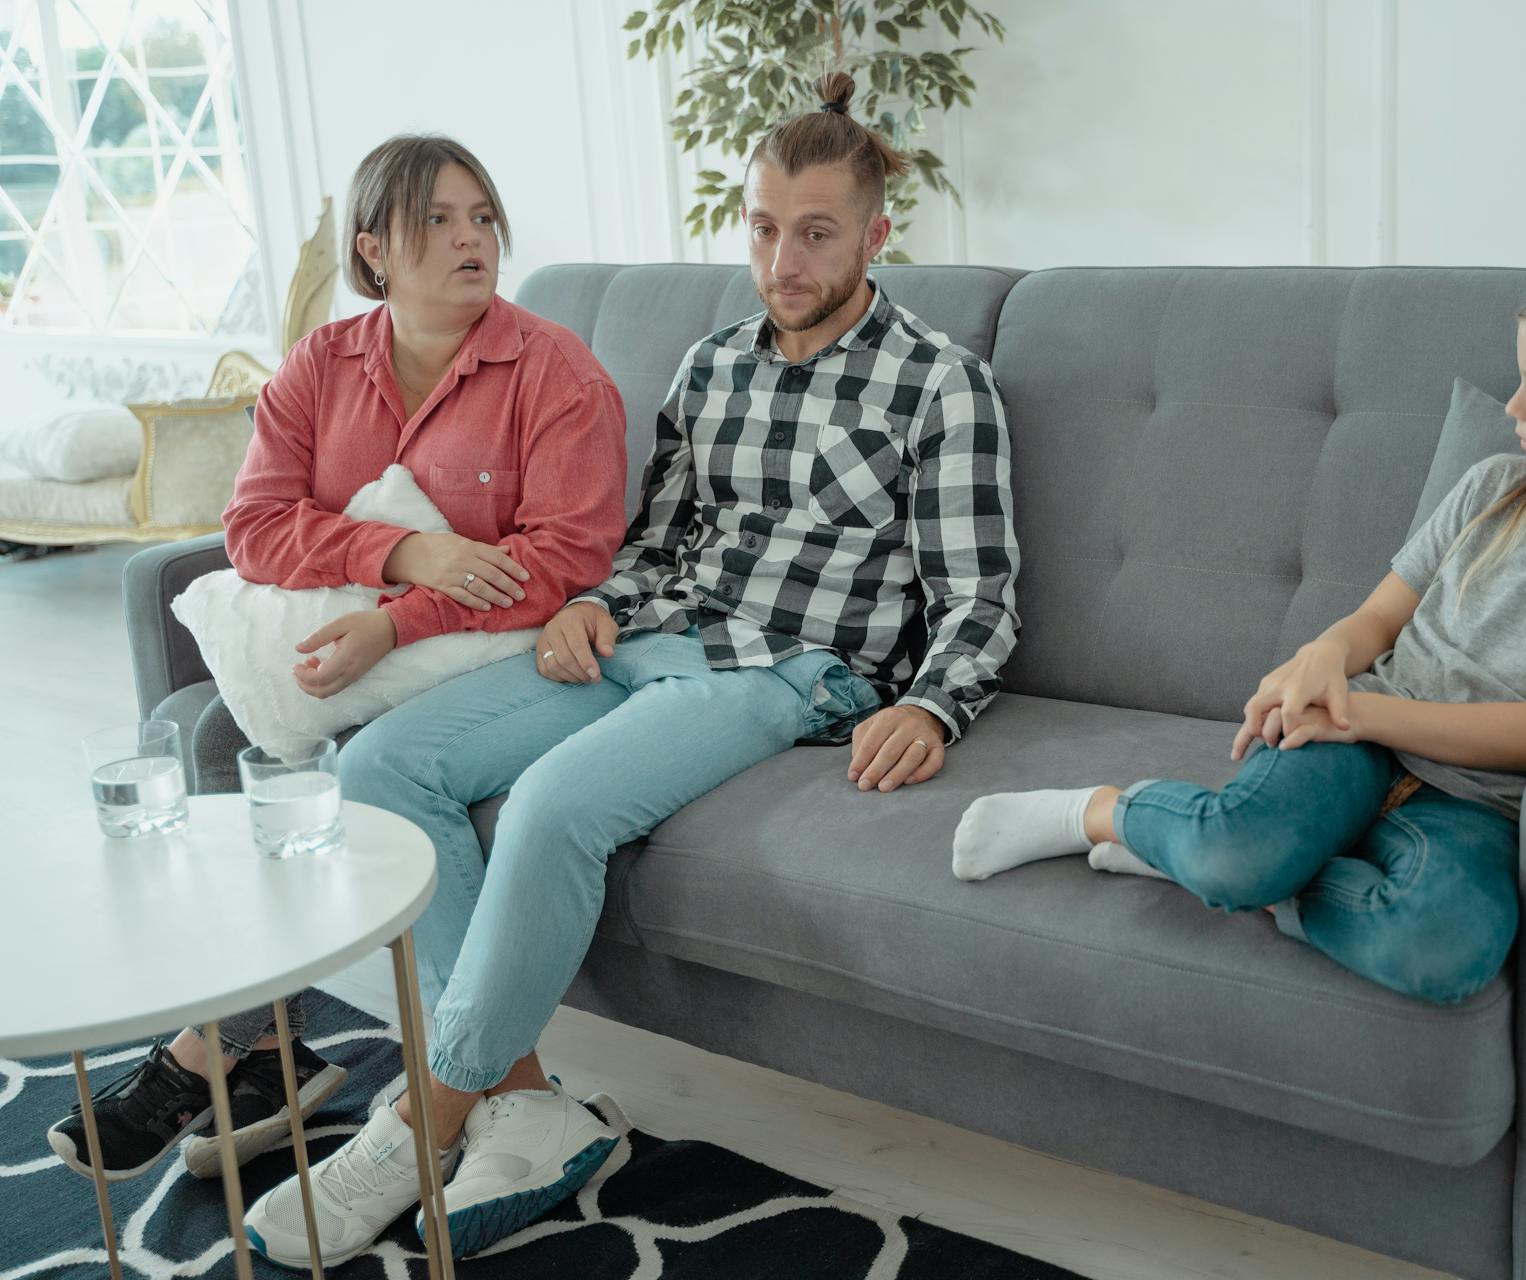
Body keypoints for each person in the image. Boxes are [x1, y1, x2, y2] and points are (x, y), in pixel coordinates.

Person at [241, 73, 1019, 1267]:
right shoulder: (710, 366)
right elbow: (651, 544)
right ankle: (523, 1101)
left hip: (790, 669)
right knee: (386, 764)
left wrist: (932, 702)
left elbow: (977, 595)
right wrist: (593, 607)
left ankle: (420, 1117)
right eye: (763, 227)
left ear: (874, 234)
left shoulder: (940, 383)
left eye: (815, 232)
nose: (783, 258)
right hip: (650, 640)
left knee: (552, 806)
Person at [953, 252, 1526, 1006]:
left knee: (1442, 949)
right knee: (1235, 850)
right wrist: (1320, 660)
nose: (1513, 406)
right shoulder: (1494, 484)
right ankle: (1099, 814)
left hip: (1477, 802)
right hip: (1355, 744)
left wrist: (1354, 708)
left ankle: (1203, 857)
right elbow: (1380, 617)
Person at [46, 134, 628, 1186]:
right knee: (219, 733)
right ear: (374, 249)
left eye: (484, 218)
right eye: (439, 221)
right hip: (370, 640)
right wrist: (406, 547)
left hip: (492, 654)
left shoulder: (557, 372)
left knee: (306, 745)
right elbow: (255, 526)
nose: (472, 239)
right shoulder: (320, 367)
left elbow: (567, 558)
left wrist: (394, 616)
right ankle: (256, 1041)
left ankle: (244, 1052)